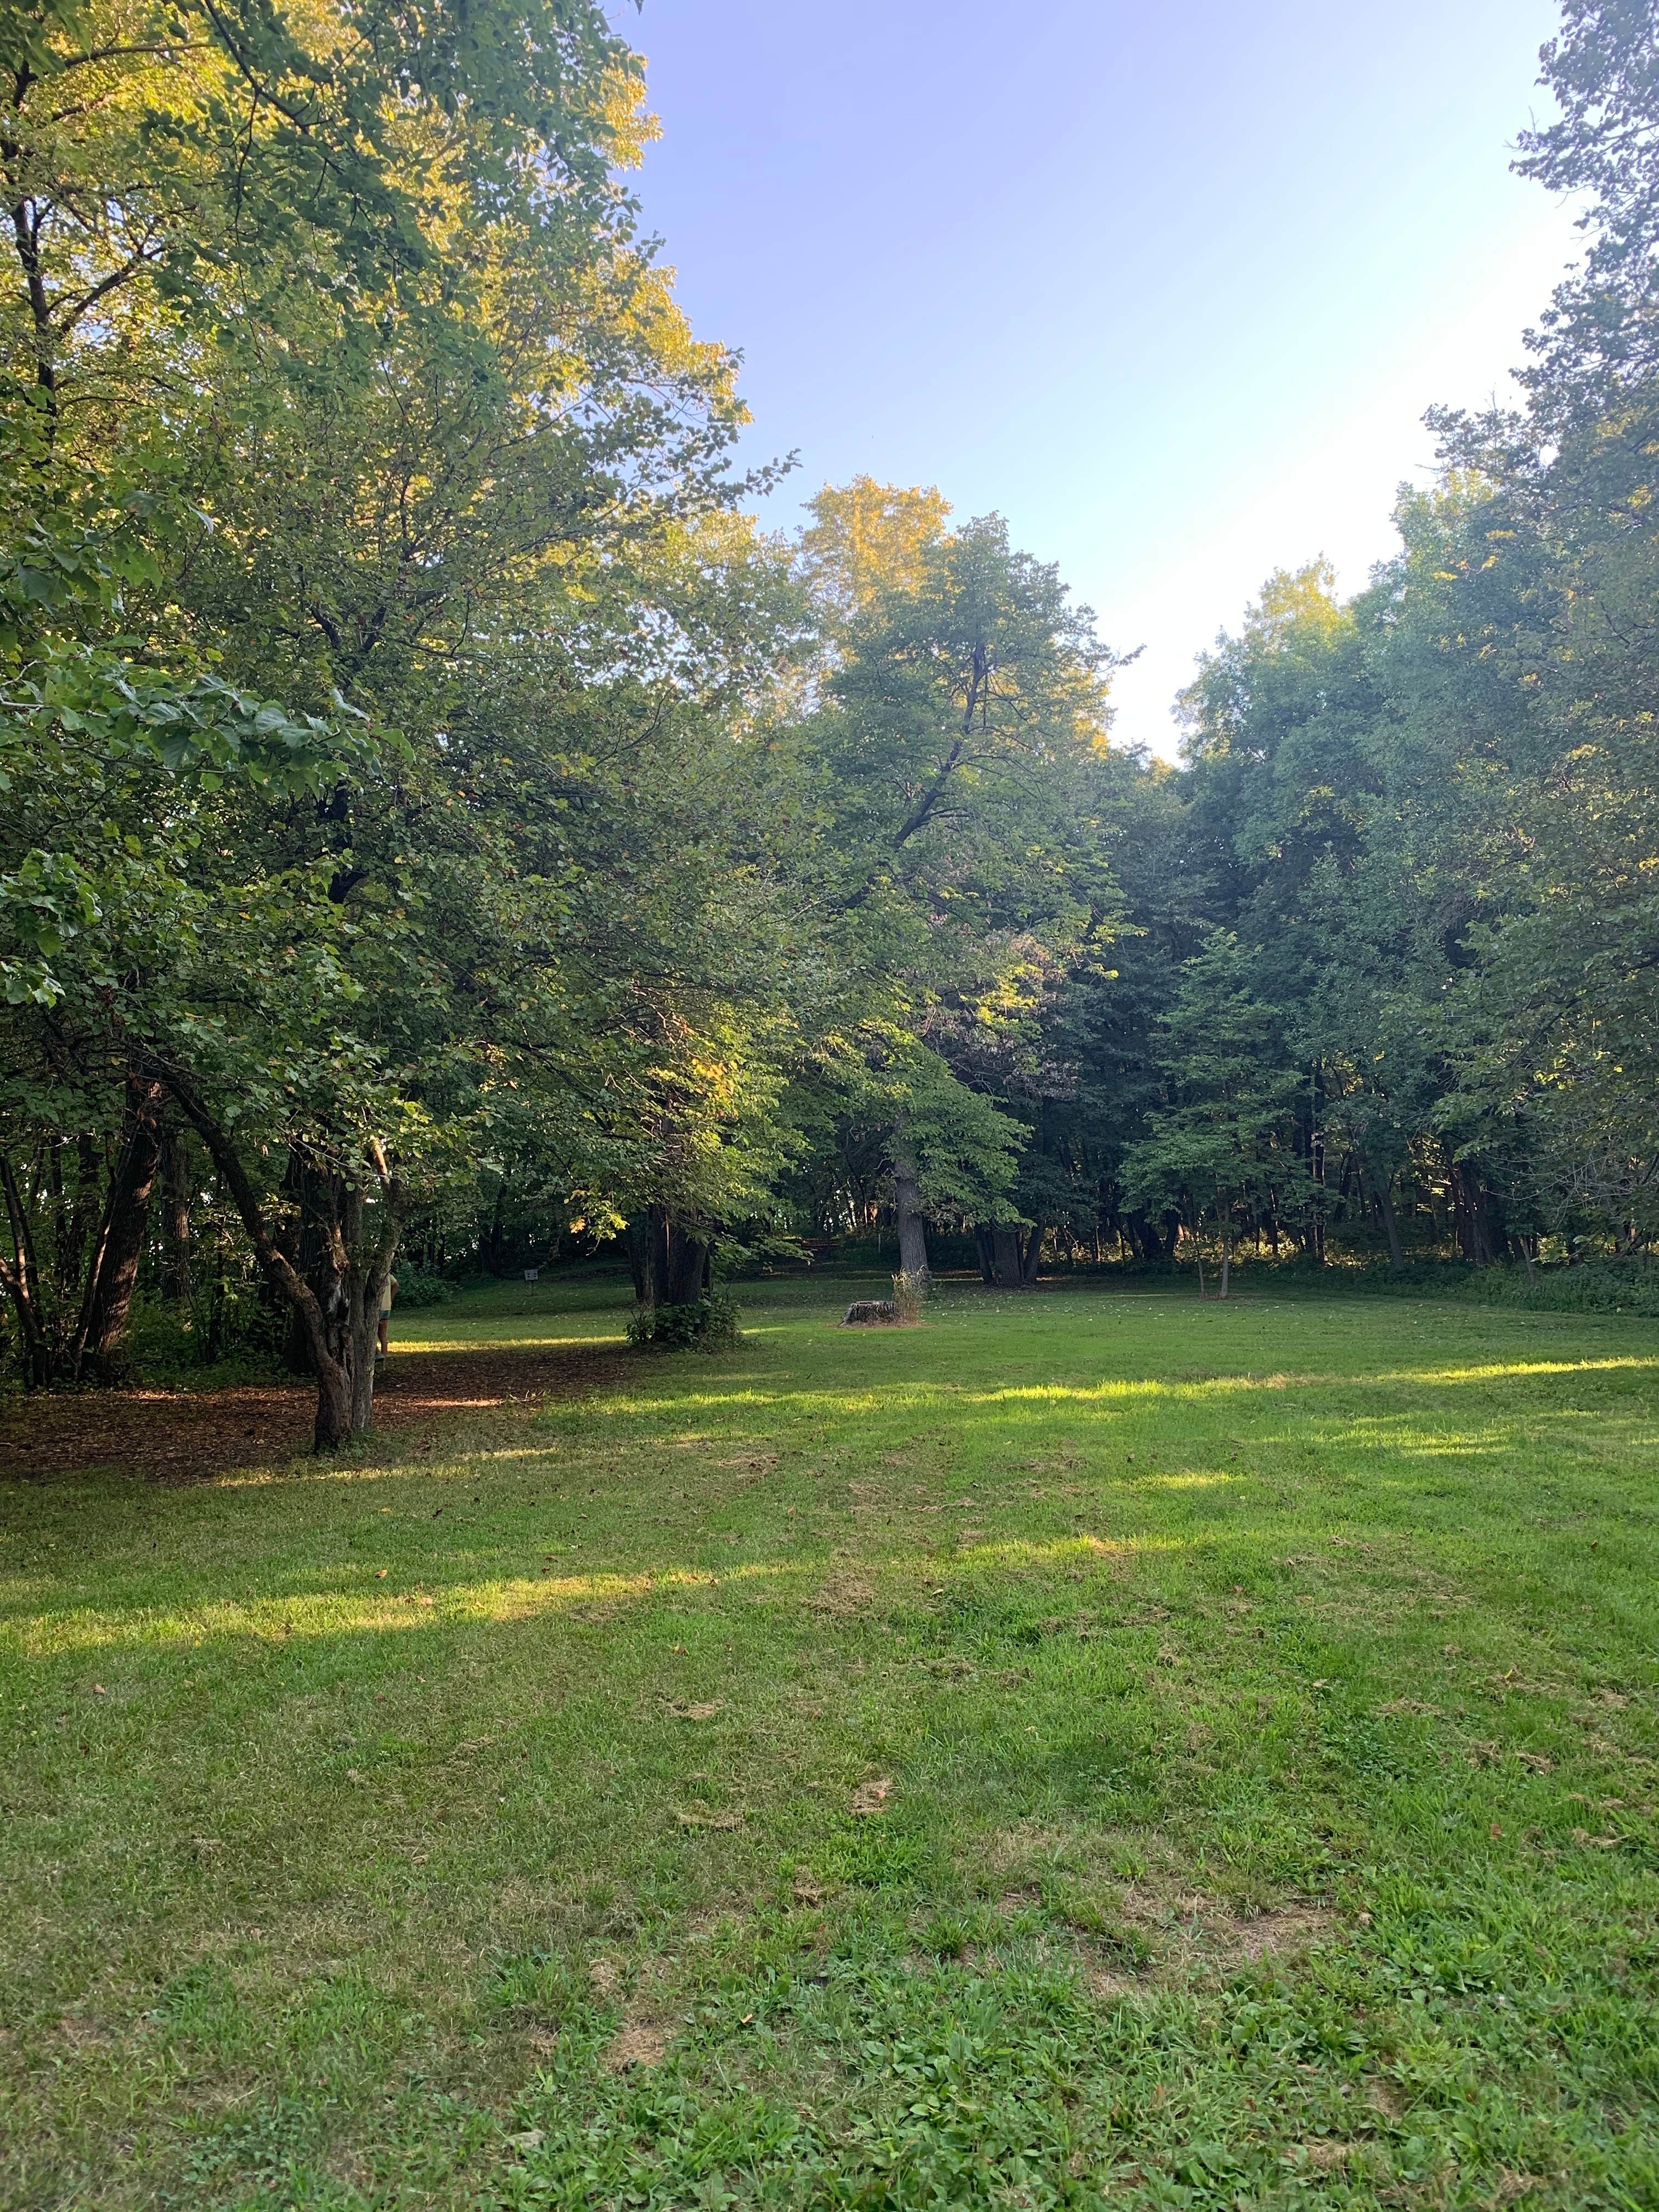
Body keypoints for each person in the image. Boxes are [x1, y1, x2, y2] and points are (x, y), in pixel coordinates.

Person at [377, 1272, 399, 1357]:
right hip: (387, 1307)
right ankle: (384, 1358)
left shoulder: (372, 1274)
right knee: (383, 1335)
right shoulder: (388, 1275)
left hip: (378, 1308)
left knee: (370, 1333)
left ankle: (378, 1354)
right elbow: (396, 1285)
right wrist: (391, 1298)